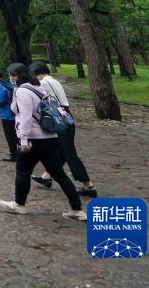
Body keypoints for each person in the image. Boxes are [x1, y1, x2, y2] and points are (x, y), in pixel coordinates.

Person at [0, 63, 86, 220]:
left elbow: (25, 116)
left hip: (33, 138)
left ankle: (19, 204)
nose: (10, 78)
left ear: (16, 76)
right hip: (50, 138)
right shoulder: (37, 88)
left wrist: (23, 139)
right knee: (59, 174)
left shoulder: (23, 91)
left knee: (23, 172)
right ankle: (77, 208)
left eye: (11, 75)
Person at [28, 61, 97, 197]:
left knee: (68, 152)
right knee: (61, 150)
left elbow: (36, 95)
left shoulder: (44, 82)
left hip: (58, 117)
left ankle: (88, 184)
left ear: (37, 73)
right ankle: (47, 176)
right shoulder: (54, 80)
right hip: (65, 115)